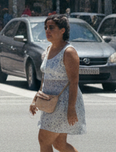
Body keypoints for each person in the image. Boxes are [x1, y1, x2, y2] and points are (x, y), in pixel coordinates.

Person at [30, 14, 85, 151]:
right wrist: (36, 98)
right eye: (46, 27)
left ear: (62, 30)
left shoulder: (68, 52)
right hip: (50, 102)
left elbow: (74, 82)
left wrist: (71, 109)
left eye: (51, 27)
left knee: (43, 139)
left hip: (63, 103)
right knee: (59, 144)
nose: (47, 30)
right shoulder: (48, 50)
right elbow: (45, 78)